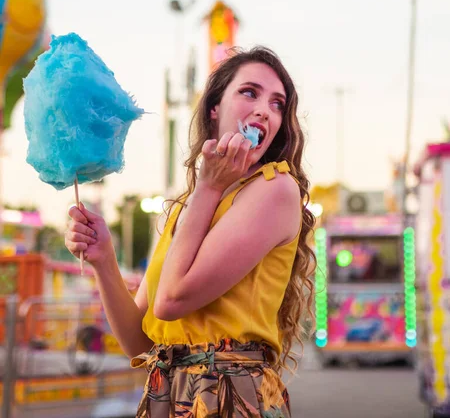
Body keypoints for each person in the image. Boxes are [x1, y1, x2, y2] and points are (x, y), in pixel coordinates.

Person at [65, 46, 316, 417]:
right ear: (215, 109)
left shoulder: (275, 189)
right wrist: (104, 260)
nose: (265, 109)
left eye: (278, 104)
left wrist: (209, 188)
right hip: (167, 394)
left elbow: (171, 300)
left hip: (229, 396)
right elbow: (139, 343)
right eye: (250, 92)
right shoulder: (186, 208)